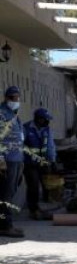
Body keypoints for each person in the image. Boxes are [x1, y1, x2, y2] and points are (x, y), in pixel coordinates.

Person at [22, 108, 57, 221]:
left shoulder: (47, 130)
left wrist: (53, 161)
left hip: (44, 164)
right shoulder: (26, 128)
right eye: (46, 119)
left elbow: (51, 146)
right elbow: (20, 145)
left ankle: (43, 208)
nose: (48, 122)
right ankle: (33, 210)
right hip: (30, 163)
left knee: (47, 186)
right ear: (39, 119)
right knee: (33, 187)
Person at [0, 86, 24, 237]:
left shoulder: (13, 114)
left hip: (16, 158)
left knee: (10, 192)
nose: (16, 101)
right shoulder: (2, 114)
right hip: (7, 160)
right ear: (7, 98)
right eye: (13, 98)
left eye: (17, 98)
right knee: (5, 194)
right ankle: (5, 226)